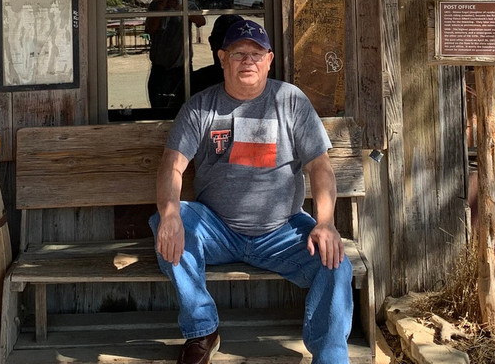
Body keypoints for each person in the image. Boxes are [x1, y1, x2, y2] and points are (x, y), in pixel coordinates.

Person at [150, 19, 353, 364]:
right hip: (217, 228)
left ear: (269, 60)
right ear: (222, 58)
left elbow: (320, 168)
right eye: (239, 53)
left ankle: (331, 358)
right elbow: (172, 166)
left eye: (256, 54)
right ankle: (202, 330)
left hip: (282, 230)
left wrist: (325, 221)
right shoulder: (201, 107)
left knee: (335, 263)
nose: (248, 61)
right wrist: (170, 214)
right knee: (167, 222)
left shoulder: (290, 101)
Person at [146, 0, 206, 110]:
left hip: (181, 68)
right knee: (159, 109)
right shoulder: (155, 6)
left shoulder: (187, 5)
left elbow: (201, 21)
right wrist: (159, 10)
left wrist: (179, 8)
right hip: (160, 68)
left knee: (184, 108)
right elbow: (150, 30)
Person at [189, 14, 244, 94]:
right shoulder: (195, 81)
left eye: (236, 45)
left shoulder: (194, 80)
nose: (228, 51)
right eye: (223, 42)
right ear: (212, 43)